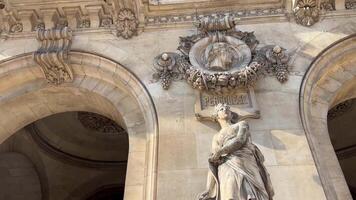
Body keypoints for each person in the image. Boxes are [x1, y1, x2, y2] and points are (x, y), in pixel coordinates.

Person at [198, 104, 274, 200]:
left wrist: (220, 152)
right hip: (227, 166)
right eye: (221, 109)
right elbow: (213, 162)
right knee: (230, 194)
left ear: (231, 114)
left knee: (253, 194)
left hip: (246, 162)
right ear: (217, 115)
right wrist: (209, 189)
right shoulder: (216, 137)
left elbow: (240, 140)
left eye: (227, 109)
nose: (225, 110)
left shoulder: (241, 124)